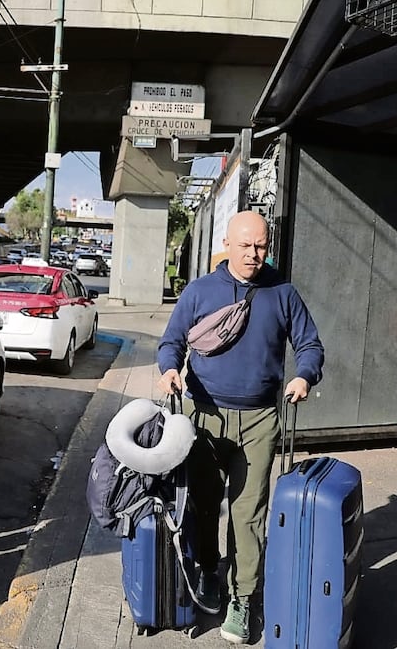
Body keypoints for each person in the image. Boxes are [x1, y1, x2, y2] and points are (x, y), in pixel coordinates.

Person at [156, 210, 324, 644]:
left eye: (261, 246)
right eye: (246, 245)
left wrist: (305, 374)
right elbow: (171, 341)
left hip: (260, 420)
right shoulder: (200, 291)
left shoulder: (283, 292)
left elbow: (309, 343)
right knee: (204, 505)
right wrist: (168, 369)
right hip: (204, 416)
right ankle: (210, 570)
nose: (254, 254)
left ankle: (243, 598)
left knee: (248, 514)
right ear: (227, 244)